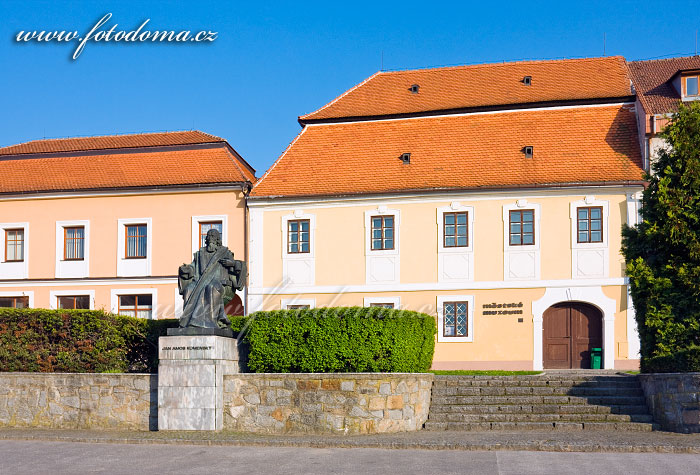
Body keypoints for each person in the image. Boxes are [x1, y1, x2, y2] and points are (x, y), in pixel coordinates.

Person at [178, 228, 245, 329]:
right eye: (208, 236)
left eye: (213, 236)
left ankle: (211, 321)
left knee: (211, 287)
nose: (210, 238)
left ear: (218, 239)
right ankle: (188, 322)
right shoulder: (200, 253)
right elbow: (193, 267)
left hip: (222, 284)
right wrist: (186, 269)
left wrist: (233, 264)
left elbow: (241, 265)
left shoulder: (225, 252)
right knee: (189, 289)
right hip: (200, 282)